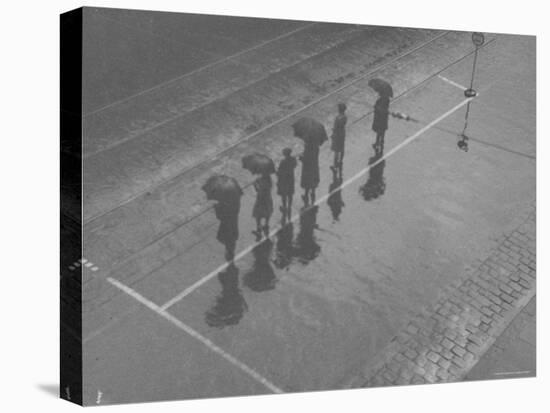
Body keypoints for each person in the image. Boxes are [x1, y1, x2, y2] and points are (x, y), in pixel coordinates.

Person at [214, 196, 240, 262]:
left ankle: (229, 250)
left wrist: (216, 208)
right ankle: (230, 250)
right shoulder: (235, 206)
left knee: (228, 240)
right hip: (233, 227)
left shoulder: (225, 208)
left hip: (227, 228)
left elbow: (219, 217)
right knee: (231, 240)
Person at [276, 147, 297, 222]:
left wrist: (276, 171)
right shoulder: (293, 159)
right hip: (291, 178)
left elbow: (279, 172)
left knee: (284, 194)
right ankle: (289, 206)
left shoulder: (283, 162)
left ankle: (284, 207)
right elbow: (295, 165)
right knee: (290, 193)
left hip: (284, 180)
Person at [300, 139, 321, 206]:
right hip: (314, 167)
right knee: (313, 181)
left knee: (307, 181)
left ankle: (306, 195)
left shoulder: (307, 150)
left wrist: (301, 158)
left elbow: (306, 160)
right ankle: (313, 194)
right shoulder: (316, 148)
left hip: (307, 169)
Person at [252, 173, 273, 238]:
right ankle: (266, 225)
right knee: (267, 212)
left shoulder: (261, 180)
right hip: (268, 199)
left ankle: (258, 228)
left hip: (261, 199)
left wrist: (255, 185)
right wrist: (257, 181)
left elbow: (258, 190)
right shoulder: (269, 180)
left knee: (258, 214)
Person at [330, 103, 347, 172]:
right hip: (342, 133)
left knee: (336, 151)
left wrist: (333, 132)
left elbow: (335, 128)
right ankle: (340, 161)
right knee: (342, 148)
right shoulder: (345, 117)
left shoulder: (337, 118)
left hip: (337, 135)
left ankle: (335, 166)